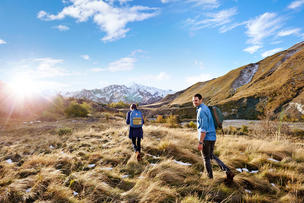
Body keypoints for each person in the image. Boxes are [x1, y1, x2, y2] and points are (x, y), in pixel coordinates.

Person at [192, 93, 234, 182]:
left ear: (200, 100)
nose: (194, 102)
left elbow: (203, 128)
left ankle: (209, 179)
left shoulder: (201, 111)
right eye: (193, 100)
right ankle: (227, 170)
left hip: (206, 138)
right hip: (212, 137)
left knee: (206, 158)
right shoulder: (206, 108)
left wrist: (200, 142)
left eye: (196, 100)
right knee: (210, 156)